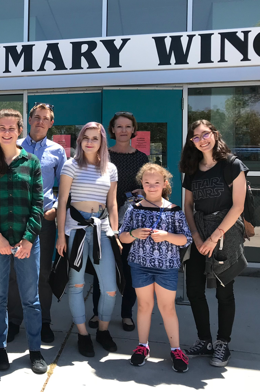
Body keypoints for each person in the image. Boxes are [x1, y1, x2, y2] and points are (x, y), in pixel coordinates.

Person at [0, 109, 47, 374]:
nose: (7, 132)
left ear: (20, 130)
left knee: (31, 299)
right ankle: (0, 348)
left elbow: (37, 204)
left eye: (12, 128)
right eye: (1, 127)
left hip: (27, 241)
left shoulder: (31, 162)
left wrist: (29, 239)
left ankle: (35, 350)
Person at [180, 119, 248, 367]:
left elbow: (238, 206)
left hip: (225, 234)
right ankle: (205, 341)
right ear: (192, 142)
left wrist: (214, 236)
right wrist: (198, 237)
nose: (202, 139)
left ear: (214, 134)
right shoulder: (192, 168)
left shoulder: (231, 165)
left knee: (224, 291)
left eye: (205, 134)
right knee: (195, 290)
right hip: (199, 231)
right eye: (196, 137)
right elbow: (188, 205)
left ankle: (222, 344)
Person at [55, 122, 121, 357]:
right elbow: (62, 202)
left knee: (110, 288)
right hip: (76, 230)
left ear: (103, 141)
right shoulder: (71, 165)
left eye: (95, 138)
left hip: (102, 230)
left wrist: (115, 232)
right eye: (86, 137)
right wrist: (61, 235)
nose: (90, 141)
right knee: (77, 284)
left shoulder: (110, 169)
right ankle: (83, 334)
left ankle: (103, 330)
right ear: (80, 140)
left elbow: (112, 204)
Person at [119, 163, 192, 372]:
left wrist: (167, 236)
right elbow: (122, 236)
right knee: (143, 306)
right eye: (147, 183)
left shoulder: (174, 210)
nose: (151, 186)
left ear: (165, 184)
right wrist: (133, 234)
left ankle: (176, 349)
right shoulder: (134, 208)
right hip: (140, 265)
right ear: (142, 183)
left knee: (167, 307)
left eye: (156, 183)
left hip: (166, 267)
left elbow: (185, 239)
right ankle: (143, 346)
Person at [8, 102, 66, 344]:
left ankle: (43, 322)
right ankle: (14, 321)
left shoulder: (58, 151)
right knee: (14, 273)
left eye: (46, 118)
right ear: (29, 120)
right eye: (37, 117)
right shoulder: (14, 145)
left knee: (42, 273)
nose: (40, 121)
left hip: (44, 219)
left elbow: (65, 187)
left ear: (51, 123)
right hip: (15, 219)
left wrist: (55, 208)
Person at [90, 112, 148, 332]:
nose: (123, 130)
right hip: (103, 219)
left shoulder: (142, 158)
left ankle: (126, 313)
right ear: (112, 130)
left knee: (130, 269)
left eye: (128, 126)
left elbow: (152, 185)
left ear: (134, 130)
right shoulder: (102, 156)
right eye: (119, 126)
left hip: (132, 221)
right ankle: (97, 312)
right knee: (101, 267)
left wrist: (143, 190)